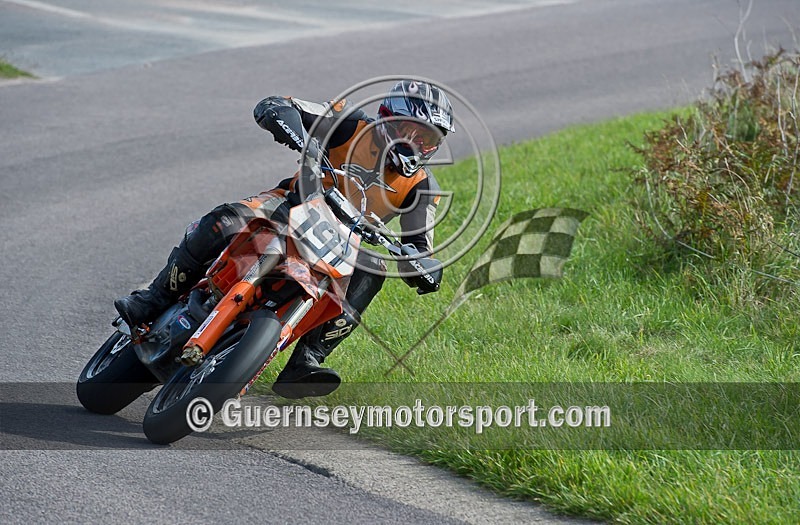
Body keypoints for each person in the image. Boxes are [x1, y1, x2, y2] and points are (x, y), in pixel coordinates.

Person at [114, 80, 454, 398]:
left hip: (341, 241)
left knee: (374, 271)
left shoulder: (423, 187)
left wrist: (423, 267)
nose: (417, 143)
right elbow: (279, 105)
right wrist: (293, 131)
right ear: (387, 117)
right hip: (289, 203)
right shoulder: (350, 124)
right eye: (410, 130)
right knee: (226, 220)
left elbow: (421, 246)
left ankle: (306, 361)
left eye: (428, 138)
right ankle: (153, 298)